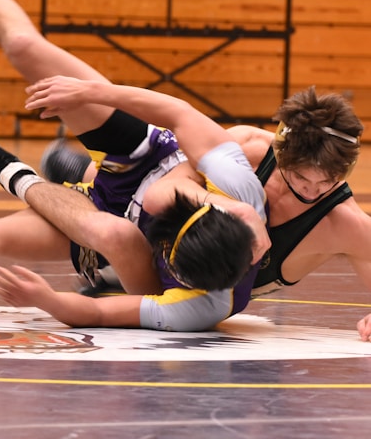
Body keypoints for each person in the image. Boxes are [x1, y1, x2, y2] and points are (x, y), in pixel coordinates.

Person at [0, 0, 268, 332]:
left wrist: (46, 299)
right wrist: (95, 91)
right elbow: (182, 115)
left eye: (170, 262)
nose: (164, 253)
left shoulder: (200, 307)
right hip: (146, 161)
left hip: (113, 235)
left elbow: (97, 311)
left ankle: (13, 173)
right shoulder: (237, 196)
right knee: (26, 48)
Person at [33, 80, 371, 341]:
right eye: (299, 176)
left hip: (205, 283)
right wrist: (235, 209)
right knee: (134, 193)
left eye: (326, 182)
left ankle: (80, 183)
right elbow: (163, 186)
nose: (310, 190)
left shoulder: (345, 223)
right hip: (166, 222)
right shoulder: (248, 149)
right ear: (281, 155)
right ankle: (83, 173)